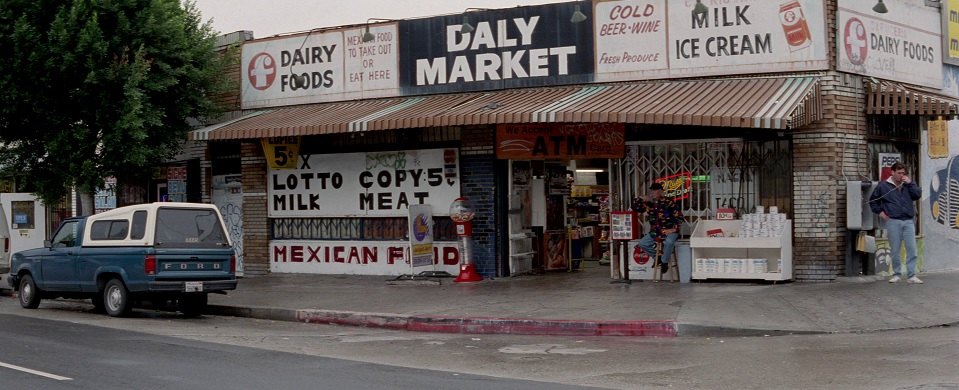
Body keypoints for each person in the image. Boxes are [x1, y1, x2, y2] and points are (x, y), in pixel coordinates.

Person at [869, 162, 922, 284]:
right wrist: (880, 212)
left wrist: (911, 183)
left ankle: (911, 275)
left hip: (908, 221)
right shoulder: (883, 186)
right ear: (892, 172)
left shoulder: (908, 185)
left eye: (903, 173)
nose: (901, 175)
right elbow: (873, 201)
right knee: (895, 250)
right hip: (893, 221)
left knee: (912, 249)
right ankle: (897, 274)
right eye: (899, 173)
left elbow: (917, 195)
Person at [632, 182, 684, 274]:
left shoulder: (669, 202)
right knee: (642, 243)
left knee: (669, 242)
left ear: (660, 192)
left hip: (670, 230)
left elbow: (679, 218)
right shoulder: (648, 204)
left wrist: (673, 229)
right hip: (656, 231)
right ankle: (657, 257)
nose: (651, 193)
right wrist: (640, 199)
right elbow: (635, 208)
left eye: (654, 191)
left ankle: (664, 262)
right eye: (651, 191)